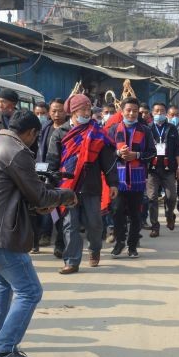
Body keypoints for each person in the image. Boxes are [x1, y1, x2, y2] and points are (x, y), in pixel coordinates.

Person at [0, 110, 77, 357]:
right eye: (35, 137)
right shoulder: (17, 151)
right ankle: (4, 351)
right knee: (30, 291)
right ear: (31, 133)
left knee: (3, 282)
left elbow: (13, 192)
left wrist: (41, 201)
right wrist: (66, 195)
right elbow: (39, 195)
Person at [54, 94, 119, 273]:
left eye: (88, 109)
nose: (86, 112)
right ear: (73, 111)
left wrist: (113, 183)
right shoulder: (60, 133)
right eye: (82, 109)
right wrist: (51, 185)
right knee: (70, 225)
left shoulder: (98, 133)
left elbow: (108, 161)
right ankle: (71, 261)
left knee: (94, 224)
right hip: (67, 187)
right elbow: (52, 161)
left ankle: (94, 250)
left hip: (91, 186)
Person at [107, 97, 156, 258]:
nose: (131, 114)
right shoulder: (114, 129)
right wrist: (117, 153)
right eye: (128, 110)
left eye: (135, 111)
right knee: (117, 211)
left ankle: (132, 245)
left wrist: (137, 155)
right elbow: (106, 152)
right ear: (122, 111)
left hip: (137, 179)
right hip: (118, 180)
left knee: (136, 214)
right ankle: (119, 241)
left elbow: (152, 153)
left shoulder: (145, 130)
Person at [147, 102, 179, 237]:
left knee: (171, 196)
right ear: (152, 113)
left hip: (169, 168)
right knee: (152, 198)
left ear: (165, 113)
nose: (159, 113)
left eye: (162, 111)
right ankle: (155, 226)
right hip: (152, 169)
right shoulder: (148, 129)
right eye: (156, 111)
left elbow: (178, 149)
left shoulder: (171, 128)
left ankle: (169, 215)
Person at [37, 98, 68, 254]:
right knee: (48, 207)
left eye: (60, 111)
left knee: (61, 209)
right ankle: (45, 234)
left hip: (64, 175)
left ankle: (60, 242)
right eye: (54, 111)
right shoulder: (45, 129)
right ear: (49, 112)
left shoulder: (69, 129)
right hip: (45, 173)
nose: (57, 114)